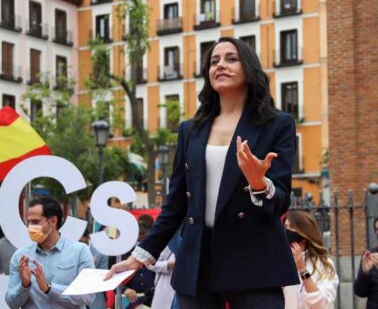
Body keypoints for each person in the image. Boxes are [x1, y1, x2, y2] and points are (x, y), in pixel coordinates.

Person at [106, 36, 299, 308]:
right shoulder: (191, 130)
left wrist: (258, 182)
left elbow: (280, 201)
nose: (220, 65)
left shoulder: (276, 125)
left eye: (231, 59)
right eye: (214, 61)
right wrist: (137, 258)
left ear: (249, 69)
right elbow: (175, 206)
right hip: (197, 261)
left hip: (254, 260)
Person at [6, 196, 95, 308]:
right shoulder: (21, 257)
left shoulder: (80, 251)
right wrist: (24, 285)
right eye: (28, 222)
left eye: (35, 222)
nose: (30, 227)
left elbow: (88, 296)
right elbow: (12, 303)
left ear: (53, 221)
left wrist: (49, 288)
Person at [283, 210, 339, 309]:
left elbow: (321, 304)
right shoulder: (280, 263)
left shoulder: (324, 265)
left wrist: (303, 271)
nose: (286, 231)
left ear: (304, 233)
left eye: (291, 227)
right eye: (285, 227)